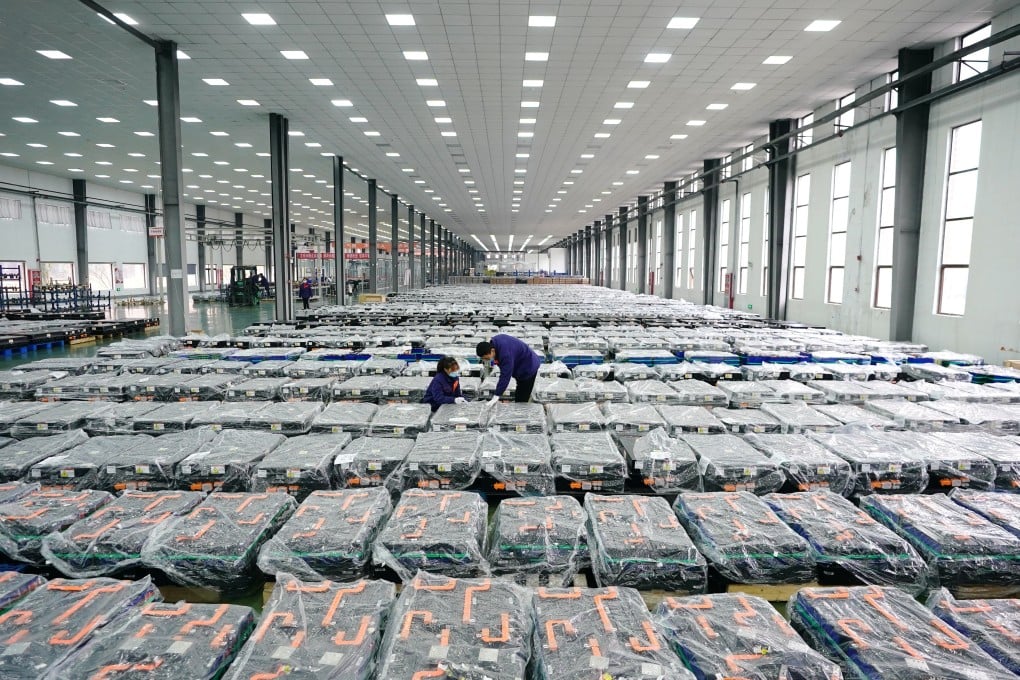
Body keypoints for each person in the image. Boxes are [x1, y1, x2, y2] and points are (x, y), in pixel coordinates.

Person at [476, 334, 542, 404]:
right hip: (520, 362)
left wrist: (496, 395)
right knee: (519, 390)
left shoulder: (505, 354)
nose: (487, 360)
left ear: (492, 350)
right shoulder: (495, 343)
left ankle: (521, 409)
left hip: (528, 367)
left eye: (487, 358)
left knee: (521, 398)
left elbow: (505, 376)